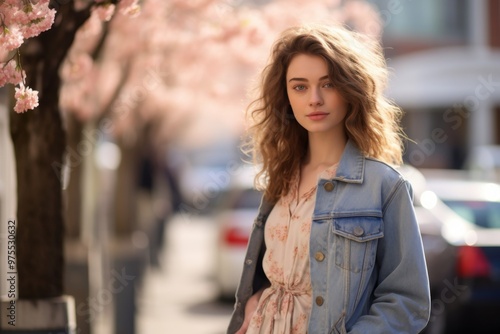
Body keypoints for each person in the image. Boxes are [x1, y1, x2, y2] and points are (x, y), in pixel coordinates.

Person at [227, 23, 431, 334]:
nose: (314, 99)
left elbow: (407, 302)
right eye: (300, 86)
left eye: (328, 84)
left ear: (351, 90)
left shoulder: (384, 186)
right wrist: (258, 298)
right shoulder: (281, 177)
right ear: (286, 96)